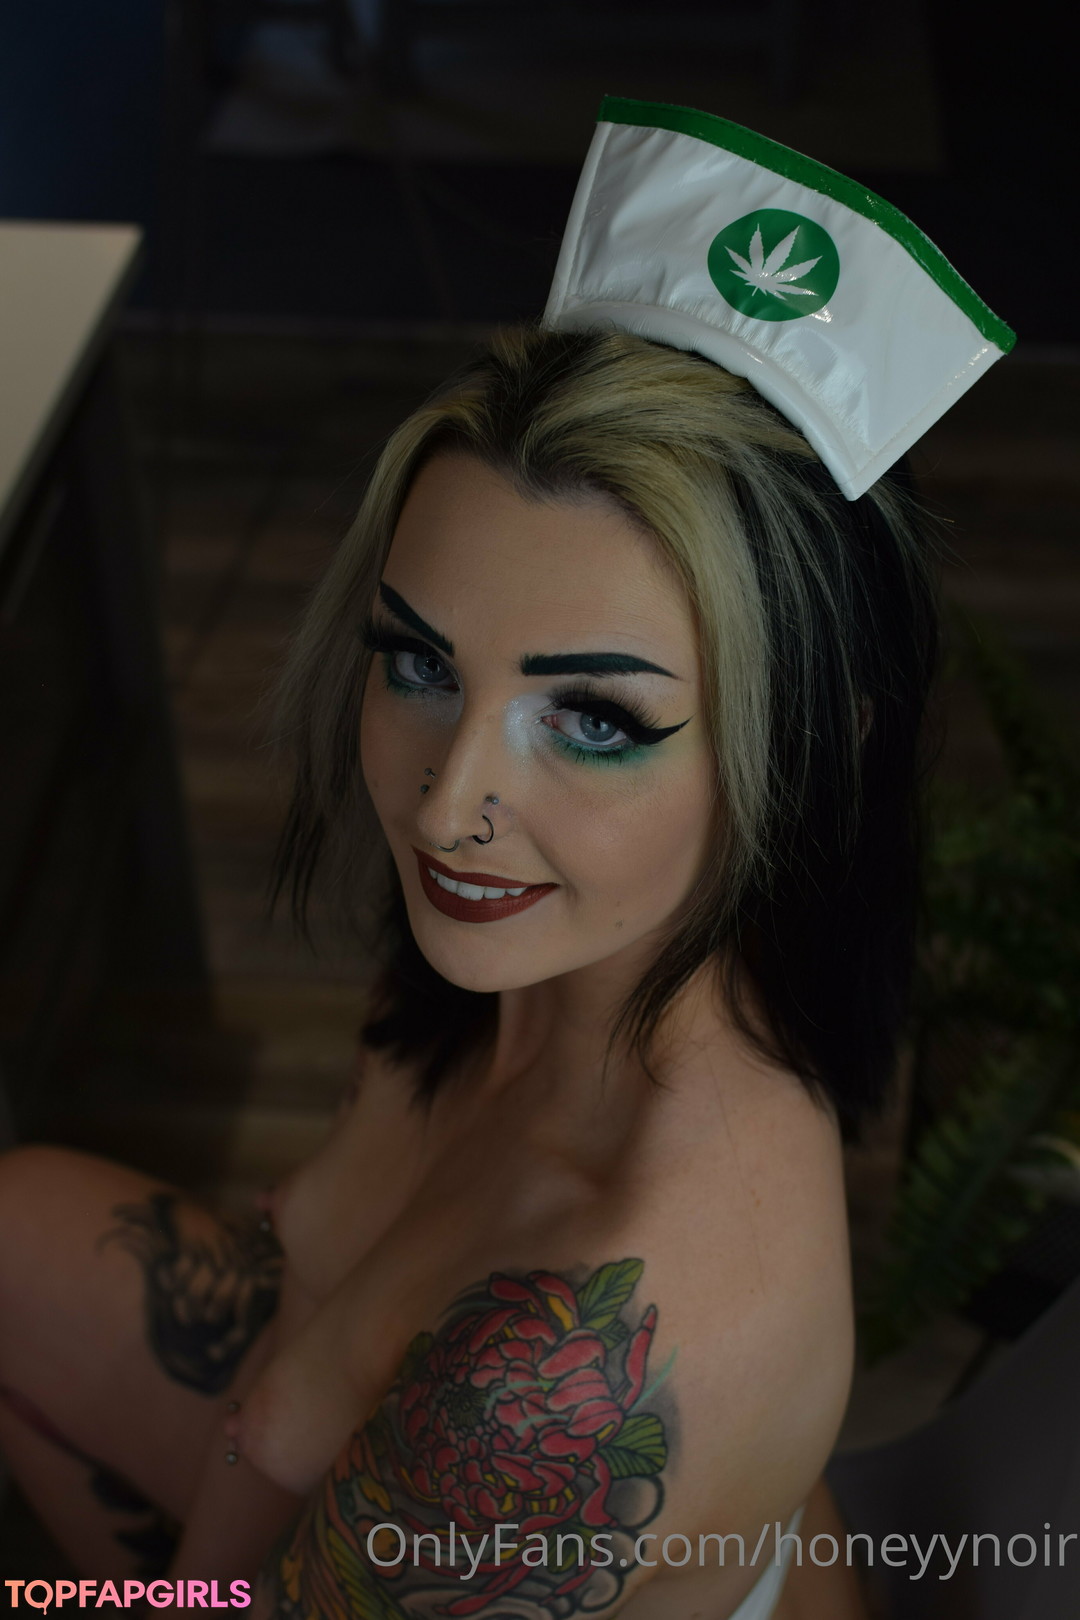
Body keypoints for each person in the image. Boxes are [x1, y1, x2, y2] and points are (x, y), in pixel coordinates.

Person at [0, 99, 1011, 1620]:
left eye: (593, 718)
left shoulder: (589, 1364)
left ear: (810, 746)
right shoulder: (525, 961)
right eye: (419, 664)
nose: (445, 803)